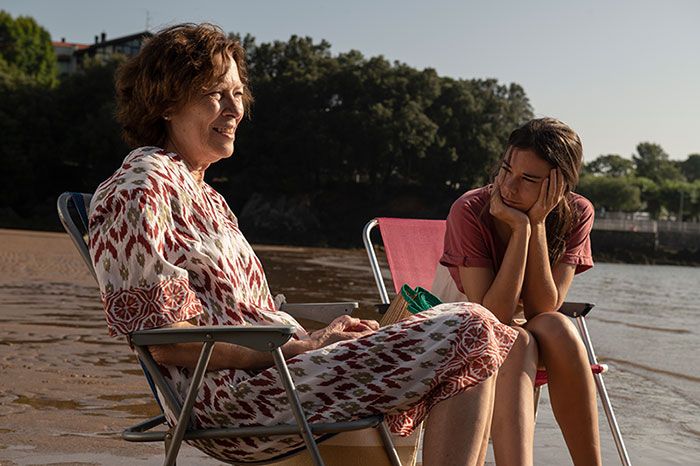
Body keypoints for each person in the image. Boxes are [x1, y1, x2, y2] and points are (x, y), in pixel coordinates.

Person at [88, 23, 517, 465]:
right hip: (235, 401)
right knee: (471, 326)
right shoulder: (141, 185)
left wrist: (317, 337)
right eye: (215, 93)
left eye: (238, 93)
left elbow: (240, 314)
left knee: (469, 327)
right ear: (165, 101)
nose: (234, 108)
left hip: (278, 377)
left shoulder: (205, 195)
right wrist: (298, 347)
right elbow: (168, 343)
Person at [441, 118, 601, 466]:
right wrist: (520, 227)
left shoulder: (577, 212)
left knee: (559, 326)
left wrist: (538, 223)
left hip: (526, 328)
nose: (509, 187)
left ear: (559, 185)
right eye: (505, 170)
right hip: (462, 326)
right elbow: (491, 316)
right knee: (518, 341)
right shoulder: (469, 209)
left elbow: (543, 308)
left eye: (529, 179)